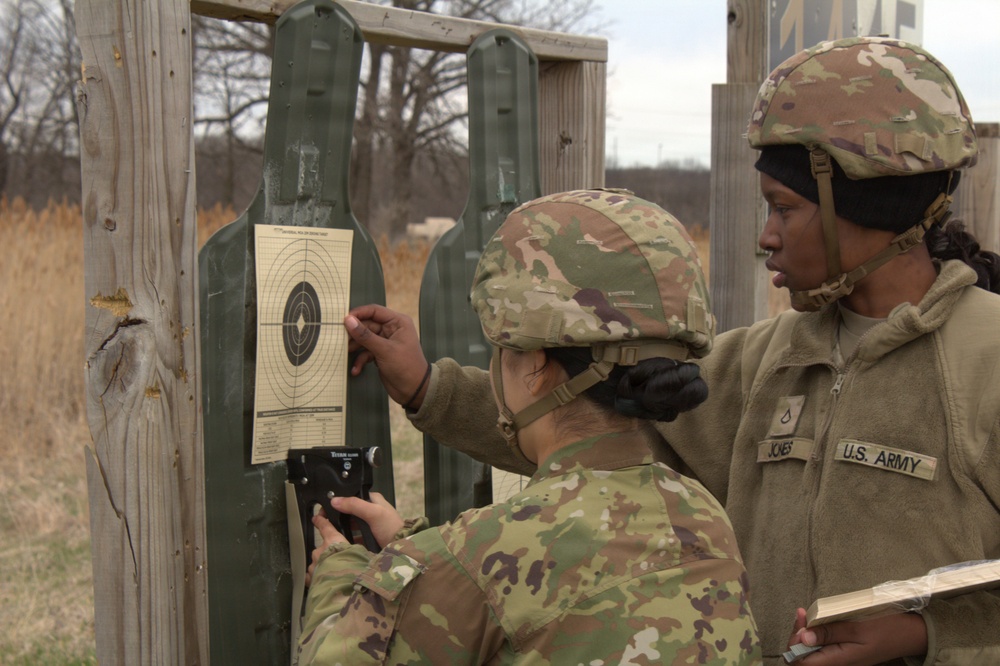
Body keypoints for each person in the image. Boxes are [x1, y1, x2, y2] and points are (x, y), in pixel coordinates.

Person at [342, 37, 1000, 666]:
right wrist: (428, 385)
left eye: (785, 209)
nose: (764, 238)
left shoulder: (986, 362)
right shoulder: (762, 365)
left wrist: (922, 634)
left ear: (863, 201)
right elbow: (586, 412)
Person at [299, 189, 762, 664]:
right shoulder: (705, 516)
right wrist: (411, 553)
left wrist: (341, 574)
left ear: (536, 366)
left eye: (500, 350)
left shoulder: (480, 555)